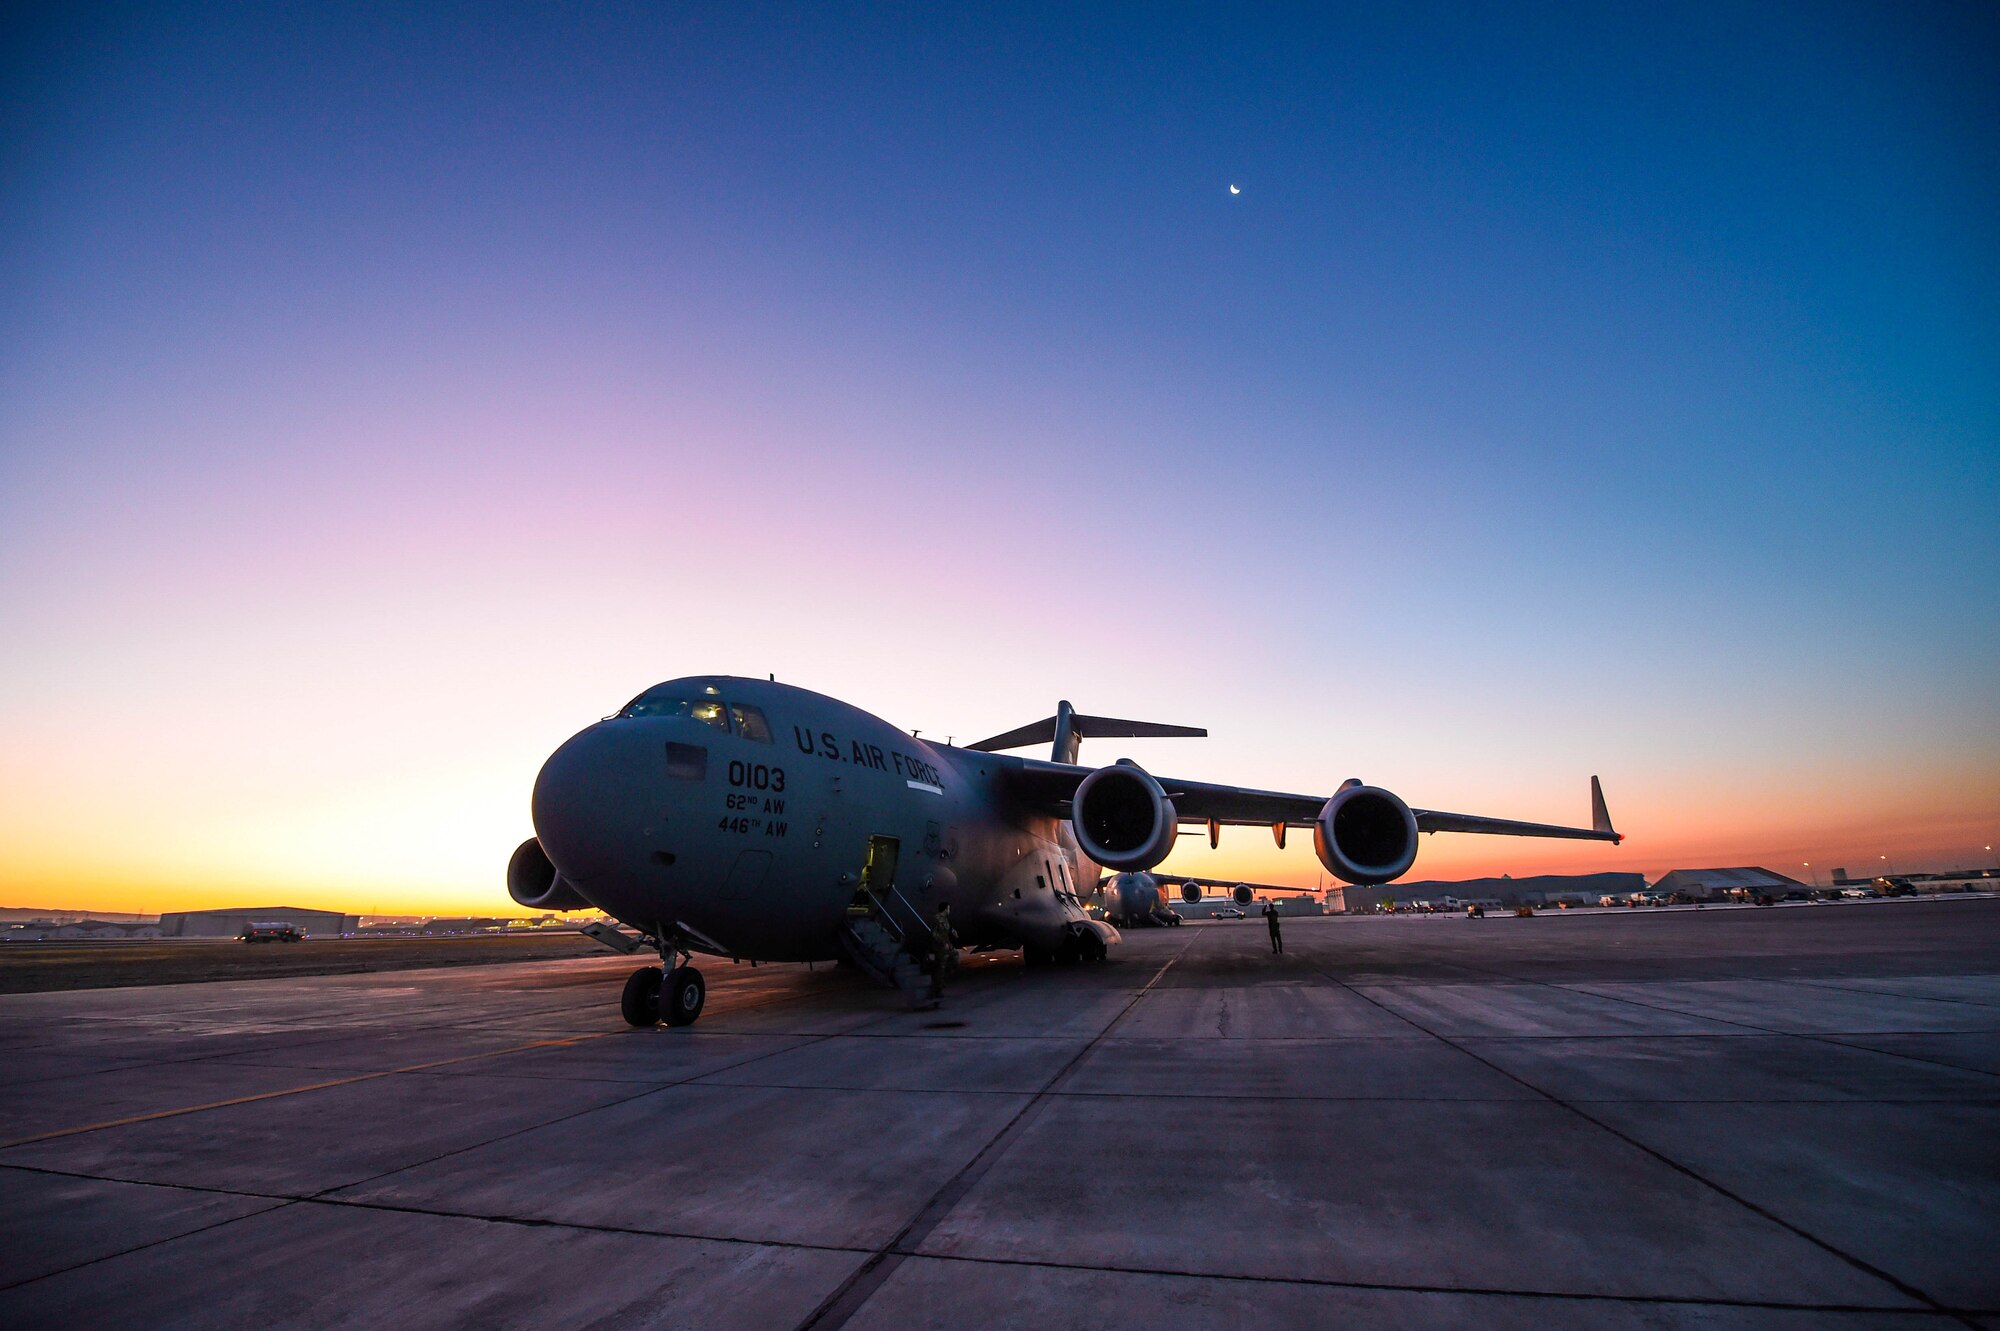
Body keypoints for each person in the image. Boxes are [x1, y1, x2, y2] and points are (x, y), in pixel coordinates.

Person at [927, 903, 958, 1000]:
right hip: (939, 947)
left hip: (947, 946)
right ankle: (936, 990)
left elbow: (947, 929)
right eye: (948, 908)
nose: (949, 910)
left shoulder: (945, 919)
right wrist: (943, 942)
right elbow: (934, 934)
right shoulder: (936, 919)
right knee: (940, 968)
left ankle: (943, 979)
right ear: (945, 909)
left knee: (955, 958)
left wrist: (953, 932)